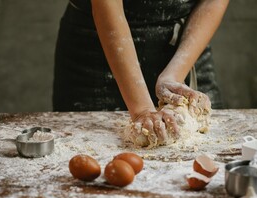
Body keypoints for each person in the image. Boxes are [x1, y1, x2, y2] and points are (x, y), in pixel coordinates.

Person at [53, 0, 229, 144]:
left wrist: (175, 74)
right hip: (99, 48)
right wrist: (142, 110)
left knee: (203, 147)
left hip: (186, 42)